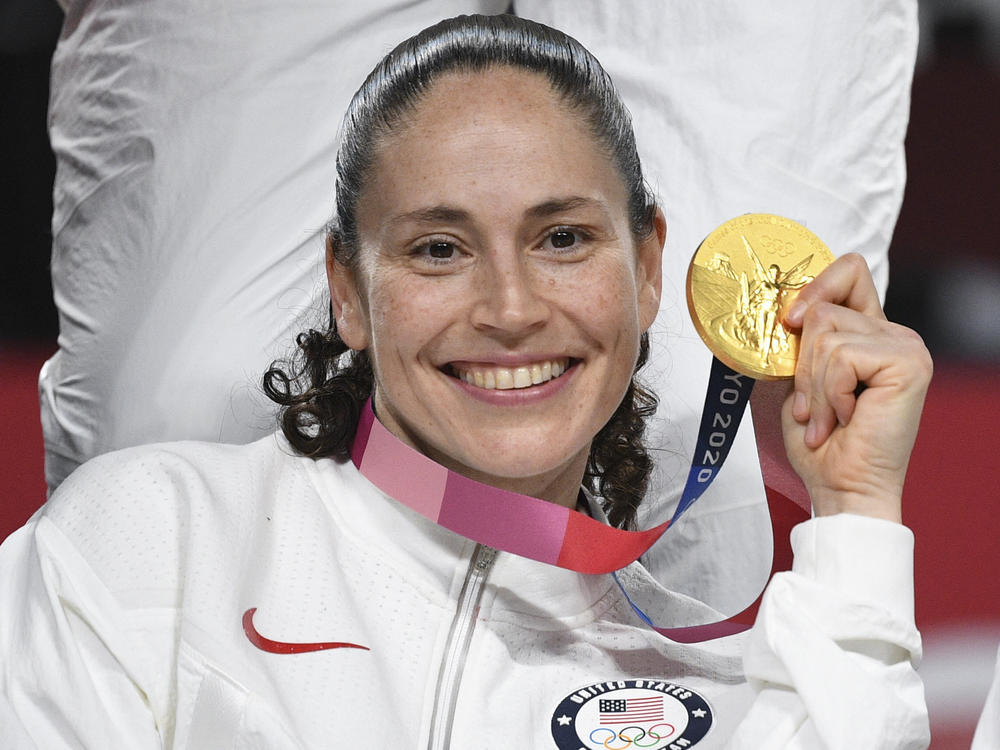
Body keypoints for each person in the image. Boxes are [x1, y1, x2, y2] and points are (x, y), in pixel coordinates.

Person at [2, 14, 932, 749]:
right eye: (438, 249)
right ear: (348, 293)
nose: (511, 307)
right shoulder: (144, 539)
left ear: (652, 270)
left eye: (563, 237)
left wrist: (857, 517)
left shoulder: (710, 681)